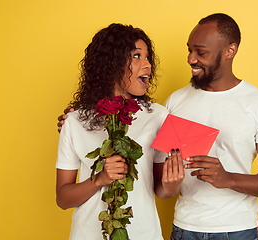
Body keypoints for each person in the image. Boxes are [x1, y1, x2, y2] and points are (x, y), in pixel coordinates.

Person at [58, 13, 258, 240]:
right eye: (190, 50)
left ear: (230, 51)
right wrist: (80, 119)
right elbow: (160, 183)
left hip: (237, 229)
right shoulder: (172, 105)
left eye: (200, 52)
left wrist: (229, 179)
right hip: (184, 229)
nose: (190, 59)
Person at [56, 23, 183, 240]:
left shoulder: (159, 116)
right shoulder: (75, 121)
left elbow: (160, 190)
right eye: (136, 56)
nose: (148, 64)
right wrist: (99, 179)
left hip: (144, 234)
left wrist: (172, 186)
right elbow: (63, 198)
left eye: (147, 57)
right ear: (111, 63)